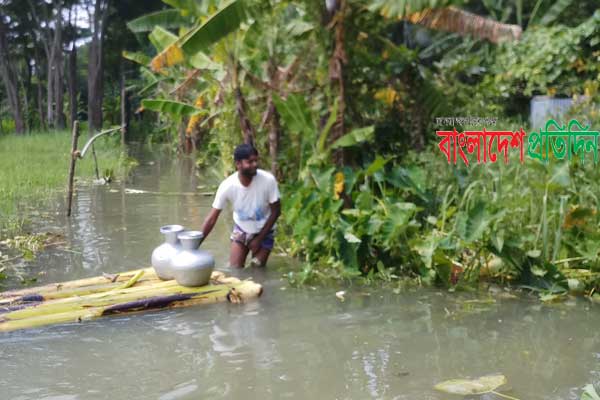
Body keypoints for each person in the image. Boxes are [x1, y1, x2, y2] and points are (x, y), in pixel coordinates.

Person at [200, 143, 281, 268]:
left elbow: (276, 211)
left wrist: (259, 239)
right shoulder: (228, 186)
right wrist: (195, 244)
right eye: (250, 161)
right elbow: (211, 219)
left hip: (265, 231)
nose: (255, 164)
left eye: (256, 160)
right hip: (242, 230)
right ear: (238, 164)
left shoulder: (268, 180)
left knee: (257, 269)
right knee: (235, 270)